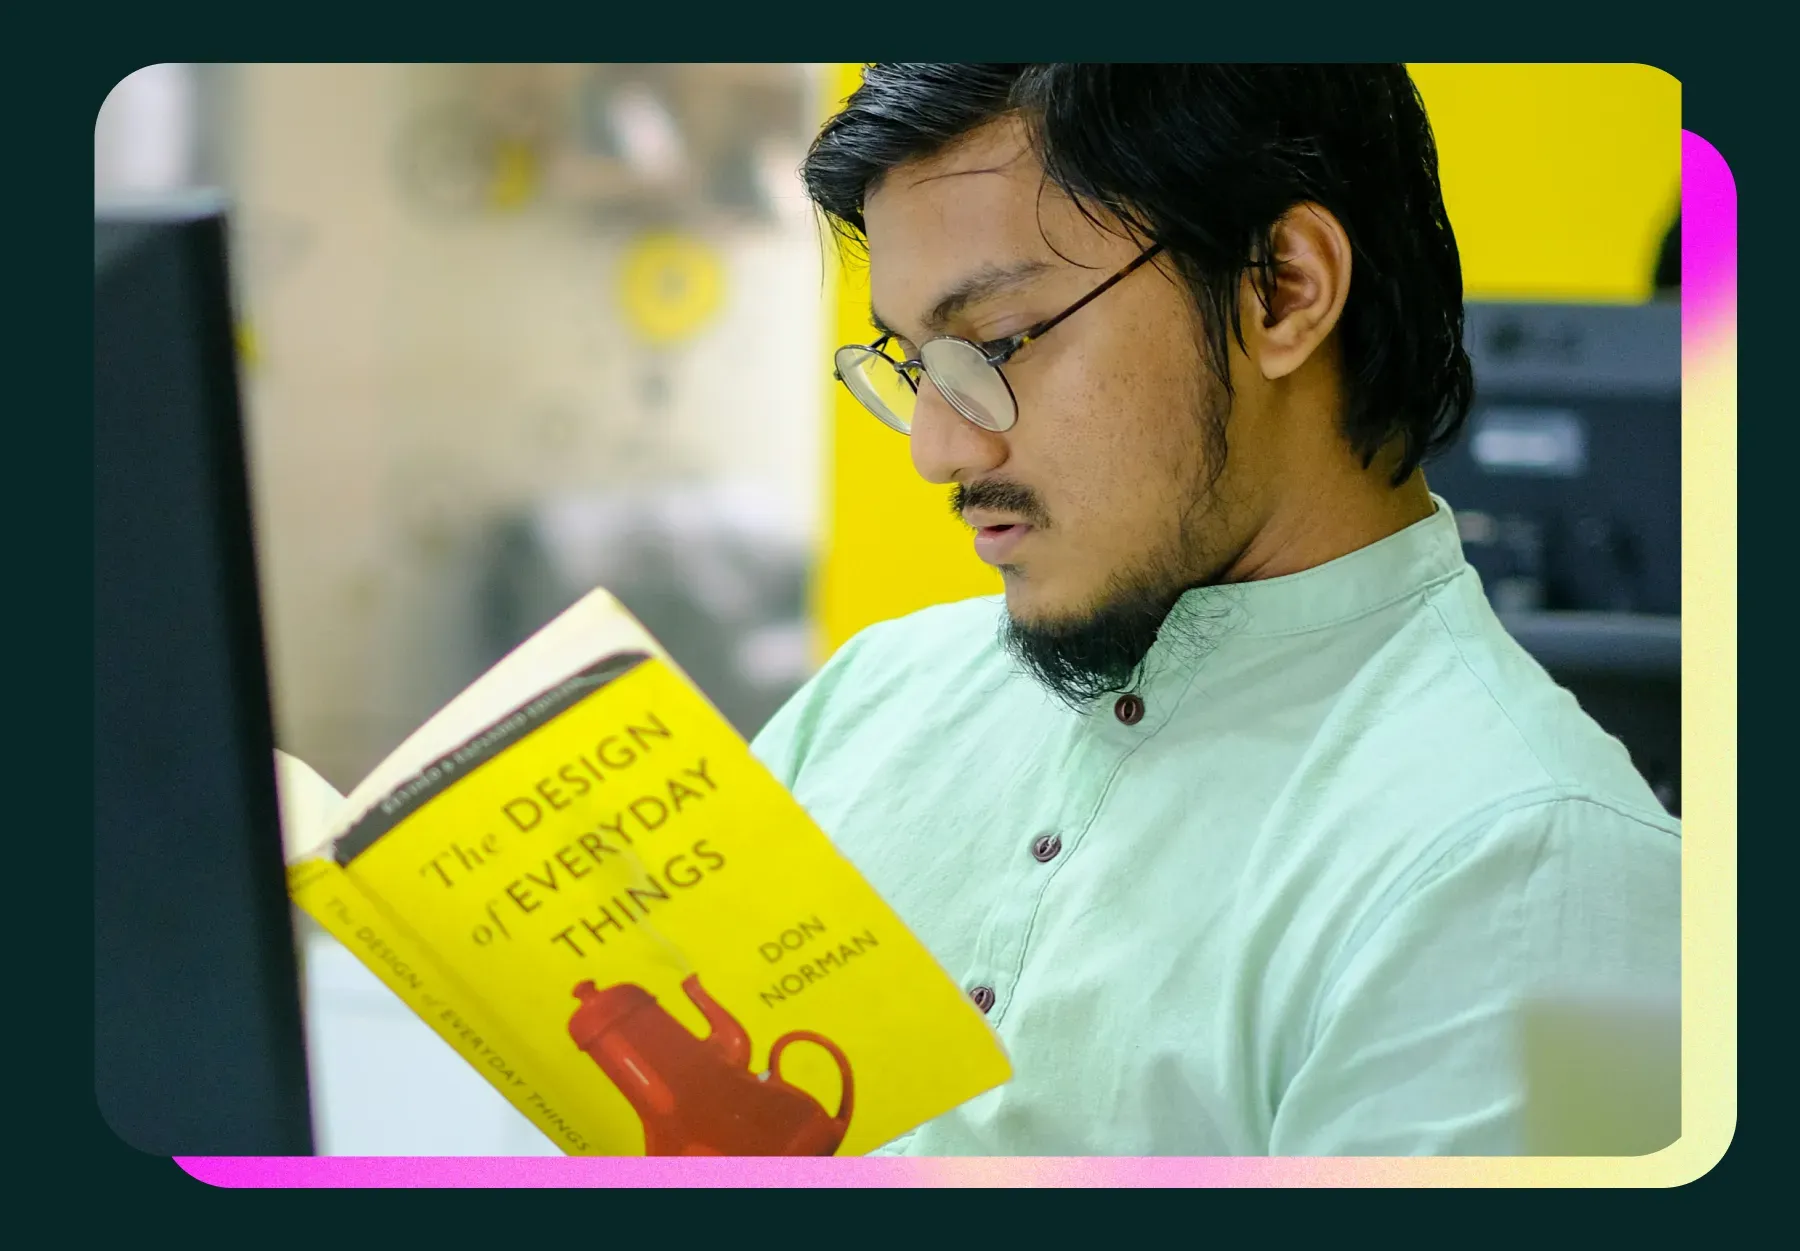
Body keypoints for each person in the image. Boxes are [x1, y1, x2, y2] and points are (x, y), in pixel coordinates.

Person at [750, 64, 1679, 1156]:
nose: (939, 448)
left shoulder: (1530, 867)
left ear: (1281, 289)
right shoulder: (866, 702)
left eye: (995, 344)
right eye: (914, 363)